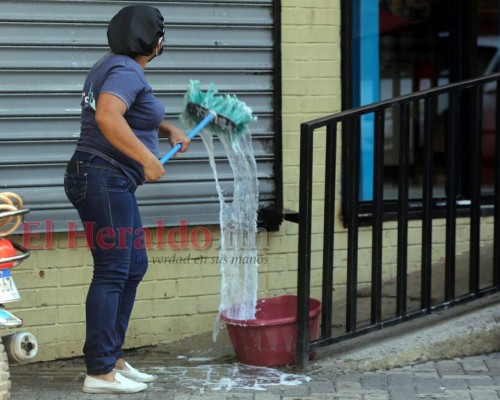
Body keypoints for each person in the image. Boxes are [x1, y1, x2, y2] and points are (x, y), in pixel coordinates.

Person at [63, 5, 190, 394]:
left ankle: (113, 359)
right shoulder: (126, 70)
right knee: (114, 271)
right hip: (102, 178)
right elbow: (107, 116)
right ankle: (99, 371)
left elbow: (127, 113)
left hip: (105, 179)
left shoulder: (113, 64)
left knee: (133, 266)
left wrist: (167, 127)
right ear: (152, 40)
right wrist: (148, 159)